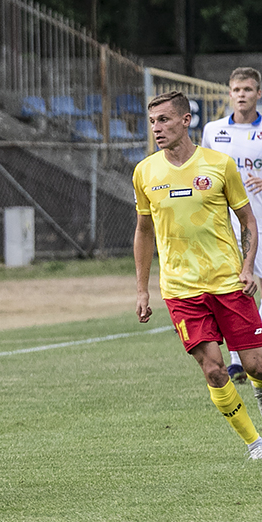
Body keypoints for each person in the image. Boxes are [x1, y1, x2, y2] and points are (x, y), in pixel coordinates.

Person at [134, 90, 262, 460]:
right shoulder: (145, 172)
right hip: (181, 289)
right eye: (152, 122)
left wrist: (247, 267)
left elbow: (247, 220)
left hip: (228, 282)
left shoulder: (219, 165)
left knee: (256, 365)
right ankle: (255, 444)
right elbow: (143, 231)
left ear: (186, 120)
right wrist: (142, 290)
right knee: (214, 370)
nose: (157, 128)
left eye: (164, 120)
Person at [201, 67, 262, 388]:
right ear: (229, 93)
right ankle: (238, 360)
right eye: (237, 89)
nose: (241, 95)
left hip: (259, 220)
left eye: (248, 89)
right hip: (225, 225)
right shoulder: (214, 131)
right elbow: (202, 170)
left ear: (258, 94)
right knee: (234, 290)